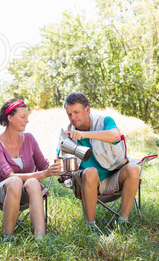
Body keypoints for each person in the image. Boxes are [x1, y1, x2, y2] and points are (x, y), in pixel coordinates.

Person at [58, 92, 140, 231]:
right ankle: (90, 227)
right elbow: (62, 161)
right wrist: (62, 172)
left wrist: (85, 134)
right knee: (90, 172)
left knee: (133, 168)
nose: (73, 118)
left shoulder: (104, 121)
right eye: (69, 114)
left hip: (113, 178)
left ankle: (123, 223)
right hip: (87, 184)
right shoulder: (66, 133)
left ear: (87, 110)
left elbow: (115, 136)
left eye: (76, 112)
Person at [0, 99, 61, 241]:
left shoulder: (30, 138)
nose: (27, 121)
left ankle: (40, 237)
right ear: (9, 118)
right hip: (1, 191)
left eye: (27, 116)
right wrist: (43, 174)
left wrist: (57, 166)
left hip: (25, 191)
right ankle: (8, 238)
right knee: (14, 181)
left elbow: (44, 165)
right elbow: (10, 176)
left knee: (33, 182)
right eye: (23, 117)